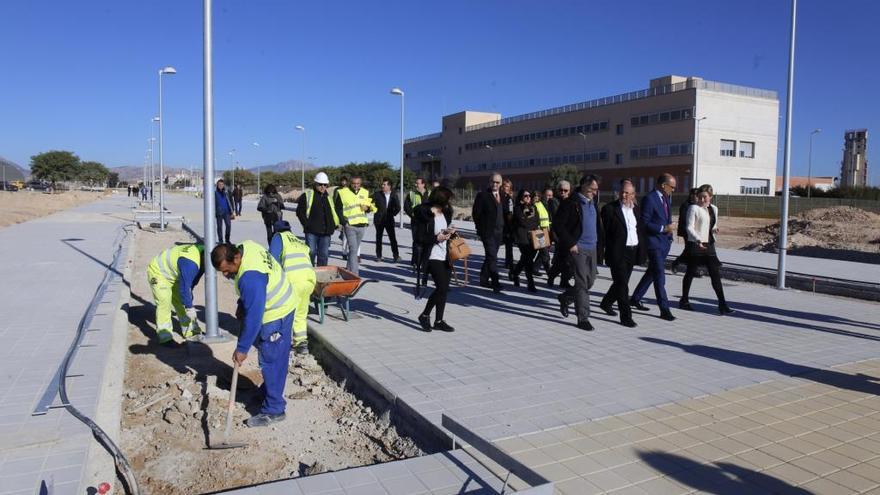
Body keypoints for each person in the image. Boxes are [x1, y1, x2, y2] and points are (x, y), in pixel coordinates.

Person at [212, 241, 296, 427]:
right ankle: (269, 391)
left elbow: (254, 318)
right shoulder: (247, 246)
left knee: (271, 359)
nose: (226, 274)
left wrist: (242, 348)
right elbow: (254, 297)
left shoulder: (250, 278)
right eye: (222, 272)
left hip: (276, 312)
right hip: (284, 300)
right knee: (275, 356)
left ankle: (274, 410)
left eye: (228, 269)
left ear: (236, 257)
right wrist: (243, 303)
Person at [554, 175, 603, 331]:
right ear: (583, 186)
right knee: (582, 283)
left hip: (592, 247)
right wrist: (571, 243)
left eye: (596, 190)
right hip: (578, 248)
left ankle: (566, 297)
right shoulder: (570, 203)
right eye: (592, 189)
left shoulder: (592, 203)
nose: (595, 193)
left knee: (590, 281)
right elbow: (558, 225)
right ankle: (583, 318)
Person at [679, 185, 734, 315]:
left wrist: (715, 229)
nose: (702, 199)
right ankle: (684, 300)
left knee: (715, 275)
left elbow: (712, 225)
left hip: (709, 245)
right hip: (696, 245)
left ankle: (722, 304)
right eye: (700, 197)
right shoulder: (693, 208)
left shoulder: (714, 209)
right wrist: (698, 239)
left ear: (711, 197)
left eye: (705, 197)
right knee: (690, 272)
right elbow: (689, 227)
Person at [630, 173, 677, 321]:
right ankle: (664, 309)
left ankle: (635, 298)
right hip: (654, 243)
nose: (673, 190)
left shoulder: (666, 198)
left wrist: (669, 236)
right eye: (672, 187)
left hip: (664, 243)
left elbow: (667, 218)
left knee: (652, 272)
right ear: (663, 185)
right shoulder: (650, 199)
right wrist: (663, 228)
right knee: (659, 276)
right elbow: (644, 223)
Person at [599, 179, 645, 328]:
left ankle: (606, 303)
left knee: (621, 283)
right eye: (622, 192)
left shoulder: (636, 210)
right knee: (623, 285)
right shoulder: (609, 209)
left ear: (633, 194)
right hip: (617, 252)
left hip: (632, 251)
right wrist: (602, 253)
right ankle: (626, 316)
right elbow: (604, 233)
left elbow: (639, 230)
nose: (624, 195)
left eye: (627, 193)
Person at [269, 221, 317, 355]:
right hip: (308, 280)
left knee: (285, 312)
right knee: (301, 313)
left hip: (293, 281)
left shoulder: (278, 238)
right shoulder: (298, 240)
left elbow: (273, 260)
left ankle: (280, 343)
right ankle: (301, 344)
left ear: (276, 230)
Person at [413, 187, 455, 332]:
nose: (449, 203)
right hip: (431, 255)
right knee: (442, 287)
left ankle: (439, 320)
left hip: (445, 254)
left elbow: (443, 230)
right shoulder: (424, 213)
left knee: (443, 290)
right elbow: (419, 238)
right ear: (441, 199)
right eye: (448, 199)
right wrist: (436, 238)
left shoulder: (445, 213)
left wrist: (449, 232)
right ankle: (424, 315)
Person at [147, 243, 204, 345]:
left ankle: (191, 332)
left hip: (174, 274)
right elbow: (185, 288)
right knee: (164, 303)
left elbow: (192, 282)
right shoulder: (191, 263)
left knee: (182, 302)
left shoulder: (203, 256)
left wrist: (188, 298)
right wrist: (190, 307)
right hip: (158, 272)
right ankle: (165, 338)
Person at [472, 173, 509, 292]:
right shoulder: (482, 195)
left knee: (490, 256)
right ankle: (495, 282)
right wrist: (480, 230)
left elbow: (505, 213)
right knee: (493, 257)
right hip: (487, 232)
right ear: (489, 182)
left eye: (497, 182)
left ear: (501, 184)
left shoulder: (503, 196)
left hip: (499, 231)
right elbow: (476, 214)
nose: (495, 184)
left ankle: (483, 279)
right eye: (493, 182)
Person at [334, 175, 375, 275]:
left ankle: (348, 268)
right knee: (353, 250)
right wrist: (344, 222)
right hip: (350, 225)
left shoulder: (365, 192)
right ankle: (354, 273)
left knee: (355, 249)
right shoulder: (342, 192)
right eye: (354, 183)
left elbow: (369, 206)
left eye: (358, 184)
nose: (356, 185)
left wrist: (368, 209)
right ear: (350, 183)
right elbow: (337, 208)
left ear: (360, 184)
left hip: (362, 225)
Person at [296, 172, 338, 266]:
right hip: (312, 231)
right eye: (320, 184)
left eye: (325, 185)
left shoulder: (329, 197)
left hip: (326, 232)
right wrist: (307, 225)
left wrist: (333, 225)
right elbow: (299, 212)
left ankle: (321, 275)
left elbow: (332, 212)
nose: (323, 187)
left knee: (324, 254)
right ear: (315, 184)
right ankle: (310, 272)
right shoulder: (307, 195)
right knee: (311, 252)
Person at [510, 190, 539, 292]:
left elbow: (537, 220)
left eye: (529, 195)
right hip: (522, 237)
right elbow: (523, 222)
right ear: (521, 197)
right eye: (525, 195)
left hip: (533, 237)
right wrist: (531, 223)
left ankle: (515, 273)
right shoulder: (517, 208)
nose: (528, 197)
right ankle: (530, 282)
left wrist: (531, 224)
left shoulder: (534, 207)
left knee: (526, 259)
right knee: (528, 260)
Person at [547, 181, 573, 288]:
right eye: (561, 190)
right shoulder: (555, 202)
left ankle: (562, 280)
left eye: (565, 190)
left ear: (569, 191)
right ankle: (553, 276)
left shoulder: (570, 202)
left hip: (569, 235)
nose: (563, 192)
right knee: (564, 260)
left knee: (566, 260)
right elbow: (557, 220)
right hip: (560, 235)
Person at [671, 188, 700, 274]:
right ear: (692, 195)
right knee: (690, 250)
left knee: (691, 250)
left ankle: (677, 264)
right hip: (687, 231)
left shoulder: (698, 205)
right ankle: (691, 269)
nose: (698, 197)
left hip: (695, 232)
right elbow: (684, 220)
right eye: (696, 195)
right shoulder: (686, 205)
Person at [372, 178, 401, 262]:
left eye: (384, 184)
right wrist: (372, 209)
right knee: (378, 238)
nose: (382, 186)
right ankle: (379, 256)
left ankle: (396, 256)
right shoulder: (377, 194)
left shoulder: (394, 195)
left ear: (389, 186)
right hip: (379, 220)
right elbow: (369, 202)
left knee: (392, 238)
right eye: (382, 184)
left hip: (389, 219)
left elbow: (398, 207)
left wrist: (392, 214)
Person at [404, 177, 430, 269]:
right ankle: (415, 261)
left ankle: (424, 261)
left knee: (426, 242)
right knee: (416, 241)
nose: (416, 185)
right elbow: (406, 207)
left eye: (418, 183)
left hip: (427, 222)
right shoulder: (411, 194)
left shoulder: (430, 194)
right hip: (416, 222)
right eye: (416, 183)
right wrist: (413, 216)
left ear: (423, 184)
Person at [532, 189, 552, 276]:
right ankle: (549, 272)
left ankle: (535, 268)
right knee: (545, 253)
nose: (536, 198)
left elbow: (545, 217)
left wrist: (548, 227)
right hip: (539, 230)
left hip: (545, 229)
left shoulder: (541, 204)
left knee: (544, 251)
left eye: (538, 196)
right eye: (535, 196)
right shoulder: (532, 206)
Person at [215, 179, 235, 244]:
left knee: (228, 225)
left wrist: (232, 211)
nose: (220, 186)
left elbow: (231, 201)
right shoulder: (215, 193)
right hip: (219, 212)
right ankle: (220, 240)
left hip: (227, 212)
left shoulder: (227, 192)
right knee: (219, 227)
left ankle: (227, 239)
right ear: (217, 185)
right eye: (219, 185)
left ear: (224, 185)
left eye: (222, 184)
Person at [501, 179, 515, 270]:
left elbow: (512, 211)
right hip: (502, 225)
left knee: (509, 246)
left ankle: (509, 263)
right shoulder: (501, 197)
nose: (507, 188)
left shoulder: (510, 198)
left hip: (509, 225)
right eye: (505, 186)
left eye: (508, 187)